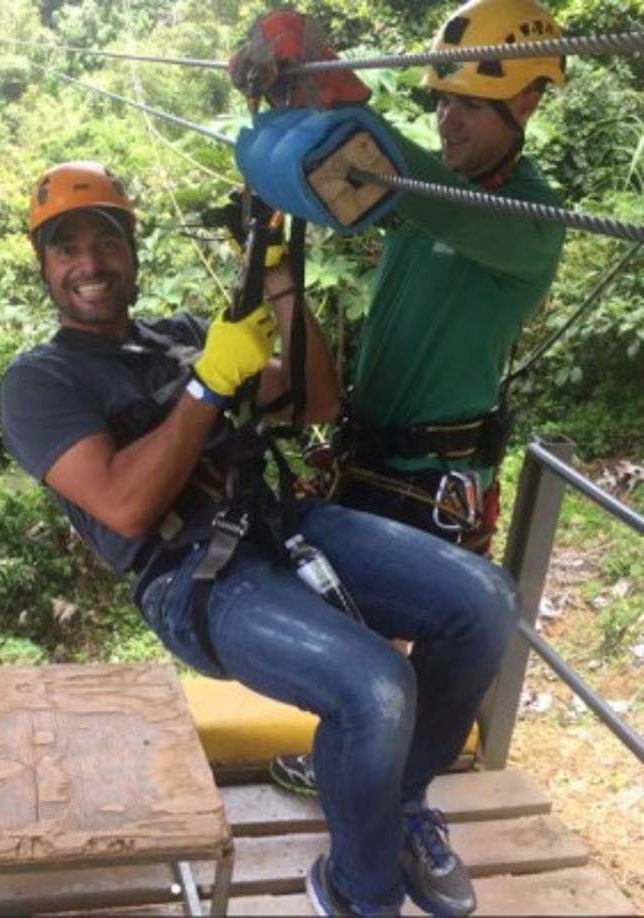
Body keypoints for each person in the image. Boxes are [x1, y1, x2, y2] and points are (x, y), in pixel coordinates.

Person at [0, 159, 521, 917]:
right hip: (193, 576)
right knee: (372, 687)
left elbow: (311, 398)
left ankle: (397, 807)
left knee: (484, 601)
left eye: (104, 241)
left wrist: (280, 284)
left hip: (281, 525)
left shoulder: (181, 335)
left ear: (131, 250)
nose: (88, 263)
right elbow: (122, 506)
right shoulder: (40, 383)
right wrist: (208, 386)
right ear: (44, 267)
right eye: (66, 247)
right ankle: (361, 892)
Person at [258, 0, 567, 818]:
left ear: (528, 102)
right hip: (369, 446)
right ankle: (362, 773)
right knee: (352, 626)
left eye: (468, 102)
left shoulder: (528, 224)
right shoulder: (423, 193)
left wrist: (332, 86)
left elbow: (396, 171)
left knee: (402, 633)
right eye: (441, 100)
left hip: (432, 473)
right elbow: (367, 175)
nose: (447, 117)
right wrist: (292, 101)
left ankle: (391, 800)